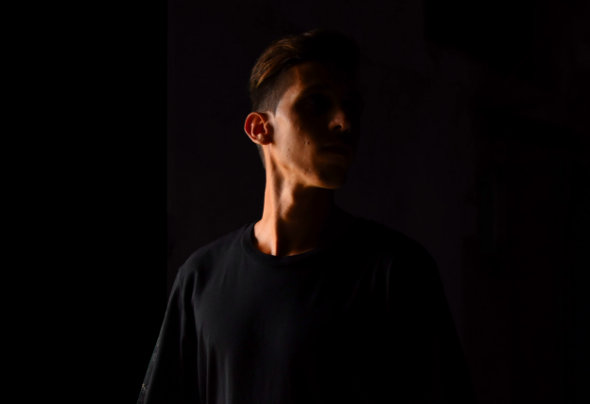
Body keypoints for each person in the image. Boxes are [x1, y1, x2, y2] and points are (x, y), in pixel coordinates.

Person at [138, 29, 475, 404]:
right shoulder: (201, 278)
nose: (343, 122)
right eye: (316, 103)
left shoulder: (397, 271)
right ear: (260, 128)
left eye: (351, 107)